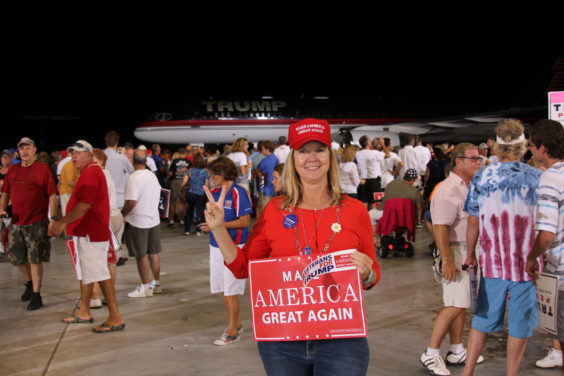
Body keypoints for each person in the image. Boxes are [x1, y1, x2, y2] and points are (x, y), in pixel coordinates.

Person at [202, 118, 379, 375]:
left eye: (319, 149)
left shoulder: (355, 210)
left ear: (330, 155)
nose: (312, 158)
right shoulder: (274, 211)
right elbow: (243, 268)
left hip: (342, 339)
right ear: (293, 158)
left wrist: (367, 272)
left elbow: (373, 272)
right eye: (303, 151)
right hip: (283, 341)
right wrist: (219, 229)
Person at [462, 119, 542, 376]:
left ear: (495, 146)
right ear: (523, 146)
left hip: (493, 262)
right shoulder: (536, 177)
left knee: (482, 320)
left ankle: (468, 371)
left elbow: (473, 221)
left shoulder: (482, 176)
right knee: (520, 325)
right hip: (528, 265)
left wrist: (470, 254)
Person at [420, 143, 484, 376]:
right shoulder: (448, 190)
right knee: (455, 304)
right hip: (455, 251)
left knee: (462, 303)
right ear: (458, 161)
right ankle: (431, 352)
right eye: (473, 158)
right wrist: (447, 259)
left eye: (480, 158)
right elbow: (440, 228)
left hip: (468, 251)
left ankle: (456, 349)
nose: (478, 162)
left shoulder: (468, 186)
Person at [49, 140, 125, 333]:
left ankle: (115, 317)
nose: (74, 156)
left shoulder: (91, 172)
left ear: (90, 155)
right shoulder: (88, 172)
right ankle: (84, 311)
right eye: (72, 153)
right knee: (88, 272)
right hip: (87, 231)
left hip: (92, 232)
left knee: (100, 273)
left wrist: (62, 222)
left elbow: (84, 206)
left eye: (79, 153)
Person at [199, 157, 253, 346]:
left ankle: (232, 330)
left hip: (235, 245)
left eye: (214, 174)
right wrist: (212, 225)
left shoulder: (239, 192)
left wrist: (219, 225)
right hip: (215, 245)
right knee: (224, 288)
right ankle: (236, 324)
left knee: (231, 290)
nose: (211, 177)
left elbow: (245, 221)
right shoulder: (213, 193)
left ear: (224, 173)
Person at [0, 137, 58, 310]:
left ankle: (36, 294)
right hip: (17, 221)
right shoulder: (13, 170)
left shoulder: (43, 169)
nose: (25, 151)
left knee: (35, 259)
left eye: (28, 148)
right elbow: (5, 193)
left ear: (34, 150)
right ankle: (29, 282)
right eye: (22, 149)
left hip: (37, 221)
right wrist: (2, 208)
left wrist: (53, 218)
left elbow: (52, 195)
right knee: (15, 255)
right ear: (18, 152)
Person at [525, 119, 564, 368]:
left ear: (542, 148)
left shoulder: (550, 178)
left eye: (531, 145)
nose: (529, 150)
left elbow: (547, 234)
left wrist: (532, 257)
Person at [122, 150, 163, 297]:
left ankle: (145, 288)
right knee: (153, 253)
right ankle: (156, 283)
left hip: (139, 221)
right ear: (146, 161)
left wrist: (122, 214)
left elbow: (131, 201)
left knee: (141, 255)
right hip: (154, 219)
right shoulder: (152, 176)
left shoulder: (133, 178)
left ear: (133, 161)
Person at [356, 135, 388, 209]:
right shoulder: (374, 153)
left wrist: (371, 144)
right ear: (368, 144)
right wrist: (383, 144)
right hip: (374, 181)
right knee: (375, 203)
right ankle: (374, 220)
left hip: (363, 180)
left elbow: (366, 151)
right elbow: (387, 155)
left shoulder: (358, 154)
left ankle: (364, 220)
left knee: (364, 203)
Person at [181, 153, 209, 236]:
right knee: (200, 212)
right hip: (201, 194)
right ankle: (199, 230)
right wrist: (208, 195)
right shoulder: (205, 171)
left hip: (190, 193)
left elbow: (184, 182)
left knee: (189, 211)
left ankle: (187, 230)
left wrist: (180, 190)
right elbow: (207, 185)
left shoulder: (189, 170)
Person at [168, 148, 192, 227]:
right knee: (183, 201)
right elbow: (190, 174)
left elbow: (170, 173)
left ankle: (171, 220)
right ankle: (182, 220)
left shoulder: (174, 161)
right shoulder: (188, 162)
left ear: (179, 153)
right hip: (184, 182)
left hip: (175, 182)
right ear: (185, 154)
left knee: (172, 201)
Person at [255, 140, 279, 216]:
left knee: (262, 211)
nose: (262, 151)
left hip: (265, 189)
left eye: (263, 149)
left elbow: (257, 170)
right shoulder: (276, 159)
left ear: (267, 149)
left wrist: (259, 173)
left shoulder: (265, 160)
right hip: (274, 189)